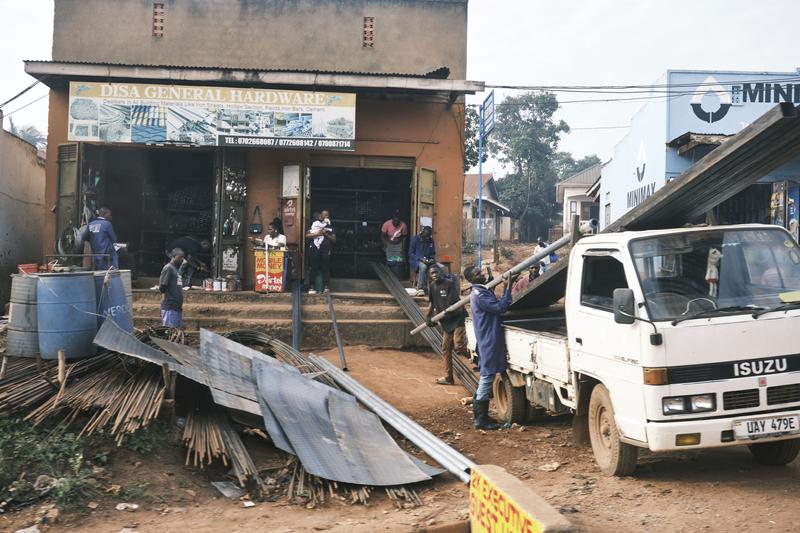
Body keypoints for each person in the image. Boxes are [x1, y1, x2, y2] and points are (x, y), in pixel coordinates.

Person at [464, 264, 512, 430]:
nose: (481, 273)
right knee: (487, 377)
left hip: (486, 338)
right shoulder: (480, 294)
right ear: (471, 279)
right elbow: (499, 307)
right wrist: (508, 287)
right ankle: (480, 419)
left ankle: (480, 417)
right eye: (477, 273)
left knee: (487, 376)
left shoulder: (479, 291)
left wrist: (494, 282)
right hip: (489, 339)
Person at [426, 265, 468, 385]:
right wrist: (428, 318)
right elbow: (432, 304)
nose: (434, 275)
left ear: (441, 272)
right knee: (445, 347)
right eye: (432, 273)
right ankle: (448, 377)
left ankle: (478, 361)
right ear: (430, 275)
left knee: (459, 345)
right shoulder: (432, 286)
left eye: (436, 272)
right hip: (446, 321)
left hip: (457, 318)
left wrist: (445, 312)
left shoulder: (449, 284)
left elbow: (454, 305)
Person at [306, 210, 336, 294]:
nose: (326, 217)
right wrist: (318, 234)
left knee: (325, 267)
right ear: (320, 216)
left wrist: (325, 234)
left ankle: (326, 287)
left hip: (325, 250)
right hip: (314, 249)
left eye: (327, 216)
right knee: (313, 267)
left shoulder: (330, 228)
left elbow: (334, 239)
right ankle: (311, 287)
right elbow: (307, 235)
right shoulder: (314, 225)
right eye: (324, 215)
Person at [160, 248, 185, 330]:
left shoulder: (176, 270)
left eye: (183, 257)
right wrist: (164, 297)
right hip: (170, 306)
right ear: (173, 257)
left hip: (177, 306)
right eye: (180, 257)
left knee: (177, 332)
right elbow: (163, 285)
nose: (182, 259)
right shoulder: (168, 268)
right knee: (169, 331)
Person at [408, 226, 436, 296]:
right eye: (426, 236)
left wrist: (431, 259)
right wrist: (420, 259)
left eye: (428, 236)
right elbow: (410, 253)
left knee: (440, 267)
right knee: (423, 267)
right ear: (422, 233)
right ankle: (420, 288)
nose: (427, 238)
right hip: (416, 260)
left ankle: (437, 288)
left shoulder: (431, 241)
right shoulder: (415, 239)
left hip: (428, 261)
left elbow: (433, 253)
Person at [381, 210, 408, 279]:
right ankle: (389, 276)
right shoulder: (386, 224)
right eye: (394, 221)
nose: (396, 222)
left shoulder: (403, 225)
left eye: (397, 221)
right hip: (389, 243)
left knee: (399, 260)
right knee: (390, 260)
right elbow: (383, 235)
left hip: (399, 243)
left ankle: (398, 276)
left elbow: (404, 237)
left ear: (400, 221)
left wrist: (403, 247)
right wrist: (385, 244)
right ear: (392, 220)